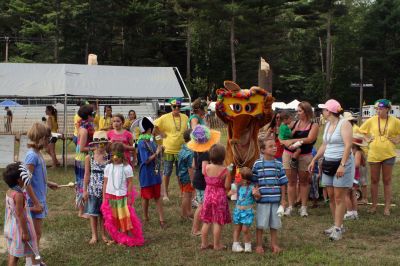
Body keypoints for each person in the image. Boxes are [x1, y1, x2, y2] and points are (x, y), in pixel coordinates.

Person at [308, 99, 354, 241]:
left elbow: (348, 145)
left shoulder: (344, 123)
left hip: (341, 164)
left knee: (339, 197)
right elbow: (324, 145)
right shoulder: (327, 124)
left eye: (324, 109)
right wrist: (314, 160)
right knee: (332, 196)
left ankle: (338, 228)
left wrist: (342, 165)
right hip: (328, 163)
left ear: (330, 111)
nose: (322, 112)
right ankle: (336, 225)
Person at [24, 123, 59, 266]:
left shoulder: (37, 154)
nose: (48, 142)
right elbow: (26, 182)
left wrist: (48, 183)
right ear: (41, 138)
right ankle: (34, 263)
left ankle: (31, 260)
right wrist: (36, 203)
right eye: (47, 139)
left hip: (39, 199)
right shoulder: (32, 156)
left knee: (35, 234)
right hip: (35, 201)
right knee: (36, 234)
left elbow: (36, 177)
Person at [358, 99, 400, 216]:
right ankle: (374, 205)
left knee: (387, 181)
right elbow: (360, 131)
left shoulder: (395, 121)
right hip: (374, 154)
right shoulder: (371, 120)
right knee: (374, 180)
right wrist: (367, 139)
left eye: (381, 109)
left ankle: (387, 207)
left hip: (389, 154)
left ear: (387, 109)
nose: (378, 111)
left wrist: (397, 139)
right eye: (377, 109)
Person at [101, 142, 144, 246]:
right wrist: (104, 197)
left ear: (123, 154)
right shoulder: (108, 167)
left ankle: (124, 237)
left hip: (121, 196)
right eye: (113, 155)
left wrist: (129, 197)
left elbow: (130, 183)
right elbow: (105, 183)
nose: (115, 158)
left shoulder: (126, 168)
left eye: (118, 155)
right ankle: (116, 238)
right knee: (113, 218)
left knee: (123, 218)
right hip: (110, 196)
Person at [280, 101, 318, 217]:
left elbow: (310, 139)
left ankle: (303, 207)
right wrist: (283, 140)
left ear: (306, 112)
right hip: (289, 155)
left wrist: (291, 141)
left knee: (304, 182)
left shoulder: (314, 125)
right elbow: (282, 134)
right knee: (291, 182)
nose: (297, 113)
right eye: (297, 110)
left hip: (305, 155)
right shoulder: (294, 123)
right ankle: (290, 206)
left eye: (300, 111)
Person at [252, 135, 287, 254]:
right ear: (262, 149)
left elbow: (283, 183)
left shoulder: (279, 164)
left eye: (275, 145)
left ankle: (274, 244)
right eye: (270, 146)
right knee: (260, 224)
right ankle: (258, 245)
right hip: (262, 200)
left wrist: (283, 199)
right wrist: (255, 191)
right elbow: (255, 180)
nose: (274, 148)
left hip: (276, 200)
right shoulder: (257, 164)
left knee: (274, 224)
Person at [3, 162, 40, 266]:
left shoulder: (10, 192)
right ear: (20, 180)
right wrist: (25, 232)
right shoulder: (19, 195)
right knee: (15, 257)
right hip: (19, 229)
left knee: (12, 253)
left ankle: (35, 262)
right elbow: (20, 214)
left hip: (11, 226)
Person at [187, 125, 220, 236]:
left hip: (198, 180)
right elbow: (204, 171)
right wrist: (213, 169)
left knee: (202, 205)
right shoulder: (205, 153)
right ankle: (195, 229)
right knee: (201, 206)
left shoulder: (197, 151)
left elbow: (193, 164)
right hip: (202, 182)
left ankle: (198, 228)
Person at [154, 98, 189, 201]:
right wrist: (160, 134)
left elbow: (187, 130)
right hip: (168, 149)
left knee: (181, 172)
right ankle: (165, 194)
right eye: (174, 106)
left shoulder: (185, 117)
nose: (177, 108)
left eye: (179, 106)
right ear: (171, 107)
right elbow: (154, 125)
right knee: (167, 172)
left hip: (181, 150)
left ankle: (182, 192)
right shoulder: (164, 117)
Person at [200, 144, 231, 250]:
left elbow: (204, 174)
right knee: (217, 222)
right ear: (223, 157)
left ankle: (204, 244)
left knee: (206, 221)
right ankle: (217, 245)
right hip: (219, 197)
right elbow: (227, 186)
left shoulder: (206, 168)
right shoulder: (225, 171)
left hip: (208, 195)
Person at [137, 117, 165, 228]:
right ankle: (145, 217)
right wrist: (157, 153)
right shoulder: (141, 142)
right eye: (153, 127)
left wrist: (160, 149)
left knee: (157, 196)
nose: (155, 130)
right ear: (149, 129)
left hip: (155, 172)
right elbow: (146, 160)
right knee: (146, 197)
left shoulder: (152, 140)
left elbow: (162, 138)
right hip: (146, 174)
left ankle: (162, 219)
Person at [83, 131, 109, 244]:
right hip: (93, 189)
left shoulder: (109, 157)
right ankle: (94, 235)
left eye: (103, 143)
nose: (100, 146)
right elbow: (87, 174)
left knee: (103, 214)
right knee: (93, 213)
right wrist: (84, 190)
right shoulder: (89, 157)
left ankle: (103, 234)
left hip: (106, 189)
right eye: (98, 144)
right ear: (94, 144)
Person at [231, 167, 258, 253]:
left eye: (240, 177)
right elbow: (230, 195)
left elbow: (258, 197)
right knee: (237, 228)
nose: (238, 178)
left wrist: (256, 193)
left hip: (247, 212)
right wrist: (233, 189)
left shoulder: (252, 187)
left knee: (245, 229)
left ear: (245, 180)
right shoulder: (237, 187)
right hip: (238, 211)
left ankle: (247, 245)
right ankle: (235, 245)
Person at [75, 104, 96, 218]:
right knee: (82, 182)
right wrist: (96, 147)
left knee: (86, 181)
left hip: (85, 157)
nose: (94, 116)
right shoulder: (84, 130)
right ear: (88, 116)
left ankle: (85, 208)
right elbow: (82, 148)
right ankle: (81, 211)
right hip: (82, 159)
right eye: (93, 114)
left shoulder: (87, 126)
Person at [344, 134, 367, 220]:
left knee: (346, 194)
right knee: (352, 194)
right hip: (354, 176)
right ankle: (354, 213)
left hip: (352, 175)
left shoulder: (357, 152)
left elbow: (356, 164)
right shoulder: (354, 151)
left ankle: (350, 213)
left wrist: (346, 165)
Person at [177, 129, 194, 220]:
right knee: (187, 196)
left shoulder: (183, 148)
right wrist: (192, 180)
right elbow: (190, 168)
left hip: (181, 175)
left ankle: (188, 212)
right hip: (187, 177)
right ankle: (184, 215)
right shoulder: (190, 152)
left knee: (187, 195)